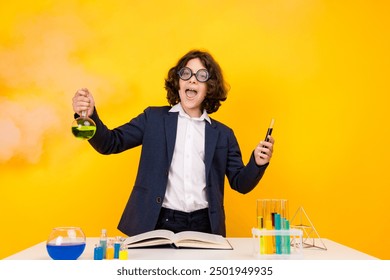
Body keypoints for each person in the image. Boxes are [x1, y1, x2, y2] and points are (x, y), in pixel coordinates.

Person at [72, 49, 274, 237]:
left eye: (201, 76)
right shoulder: (153, 118)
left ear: (209, 87)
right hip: (157, 222)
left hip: (205, 226)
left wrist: (257, 162)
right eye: (186, 73)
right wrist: (90, 117)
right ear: (178, 82)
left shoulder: (223, 134)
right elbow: (110, 143)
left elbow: (241, 183)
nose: (192, 80)